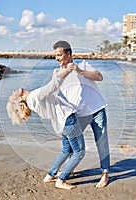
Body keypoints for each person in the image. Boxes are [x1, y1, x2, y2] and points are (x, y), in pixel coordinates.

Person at [6, 64, 85, 190]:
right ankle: (61, 180)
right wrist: (68, 71)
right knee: (79, 152)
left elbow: (52, 89)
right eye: (14, 94)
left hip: (63, 124)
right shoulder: (34, 96)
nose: (16, 90)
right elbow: (53, 86)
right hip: (68, 121)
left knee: (66, 151)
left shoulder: (33, 100)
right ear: (20, 99)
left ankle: (50, 175)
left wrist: (55, 74)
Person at [52, 40, 110, 188]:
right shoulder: (57, 73)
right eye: (55, 56)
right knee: (72, 146)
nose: (57, 58)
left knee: (102, 142)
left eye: (59, 55)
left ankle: (105, 173)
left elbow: (99, 77)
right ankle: (69, 170)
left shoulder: (83, 65)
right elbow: (52, 92)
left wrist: (79, 71)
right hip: (78, 114)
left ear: (68, 54)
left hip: (97, 110)